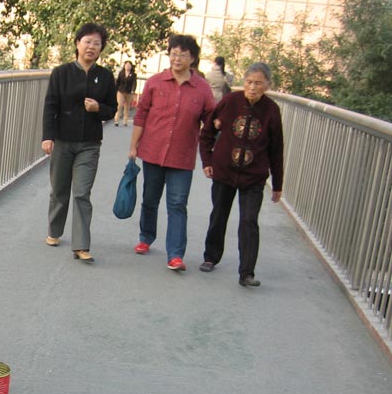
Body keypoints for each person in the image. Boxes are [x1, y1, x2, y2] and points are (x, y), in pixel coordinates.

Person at [128, 34, 215, 271]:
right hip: (153, 151)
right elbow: (141, 115)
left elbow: (211, 119)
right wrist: (133, 146)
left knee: (177, 204)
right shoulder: (155, 82)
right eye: (173, 54)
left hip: (182, 156)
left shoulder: (202, 88)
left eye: (182, 55)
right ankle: (146, 237)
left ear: (192, 58)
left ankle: (175, 254)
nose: (177, 59)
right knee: (150, 199)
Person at [198, 62, 284, 287]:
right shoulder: (230, 101)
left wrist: (277, 184)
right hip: (224, 170)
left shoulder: (272, 110)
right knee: (219, 214)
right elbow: (207, 132)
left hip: (254, 176)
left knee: (249, 221)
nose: (252, 87)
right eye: (249, 82)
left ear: (267, 85)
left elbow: (276, 149)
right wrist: (207, 160)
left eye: (258, 83)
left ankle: (247, 272)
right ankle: (210, 257)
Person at [42, 22, 117, 263]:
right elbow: (50, 106)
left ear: (101, 48)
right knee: (59, 190)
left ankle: (81, 245)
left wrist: (98, 108)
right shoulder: (61, 73)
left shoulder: (105, 77)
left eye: (97, 43)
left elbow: (112, 110)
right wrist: (47, 136)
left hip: (89, 143)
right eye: (87, 42)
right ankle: (54, 230)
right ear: (77, 44)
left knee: (82, 193)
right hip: (63, 140)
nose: (91, 47)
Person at [115, 61, 137, 127]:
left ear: (131, 66)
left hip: (129, 92)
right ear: (124, 66)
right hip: (121, 91)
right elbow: (118, 81)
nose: (127, 66)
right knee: (119, 105)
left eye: (129, 65)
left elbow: (134, 83)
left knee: (127, 106)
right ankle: (116, 120)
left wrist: (133, 90)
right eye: (126, 65)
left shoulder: (133, 74)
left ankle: (125, 121)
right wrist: (115, 89)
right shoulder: (121, 73)